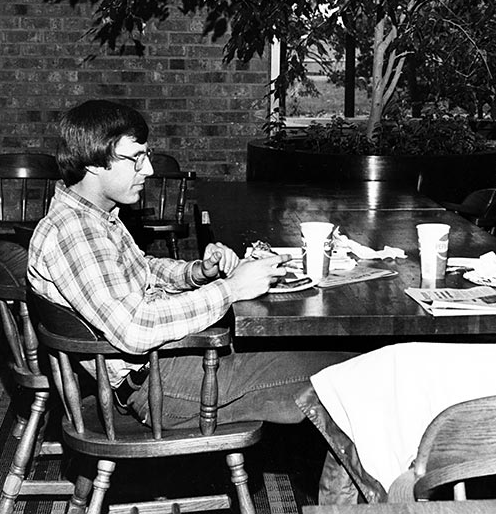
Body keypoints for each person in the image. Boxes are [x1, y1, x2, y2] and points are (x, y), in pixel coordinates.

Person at [27, 99, 351, 439]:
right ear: (94, 163)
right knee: (351, 370)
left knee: (339, 364)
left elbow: (142, 270)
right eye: (135, 158)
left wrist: (198, 272)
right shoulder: (75, 233)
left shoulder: (92, 217)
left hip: (165, 365)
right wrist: (232, 289)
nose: (148, 169)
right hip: (157, 384)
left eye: (146, 155)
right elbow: (135, 328)